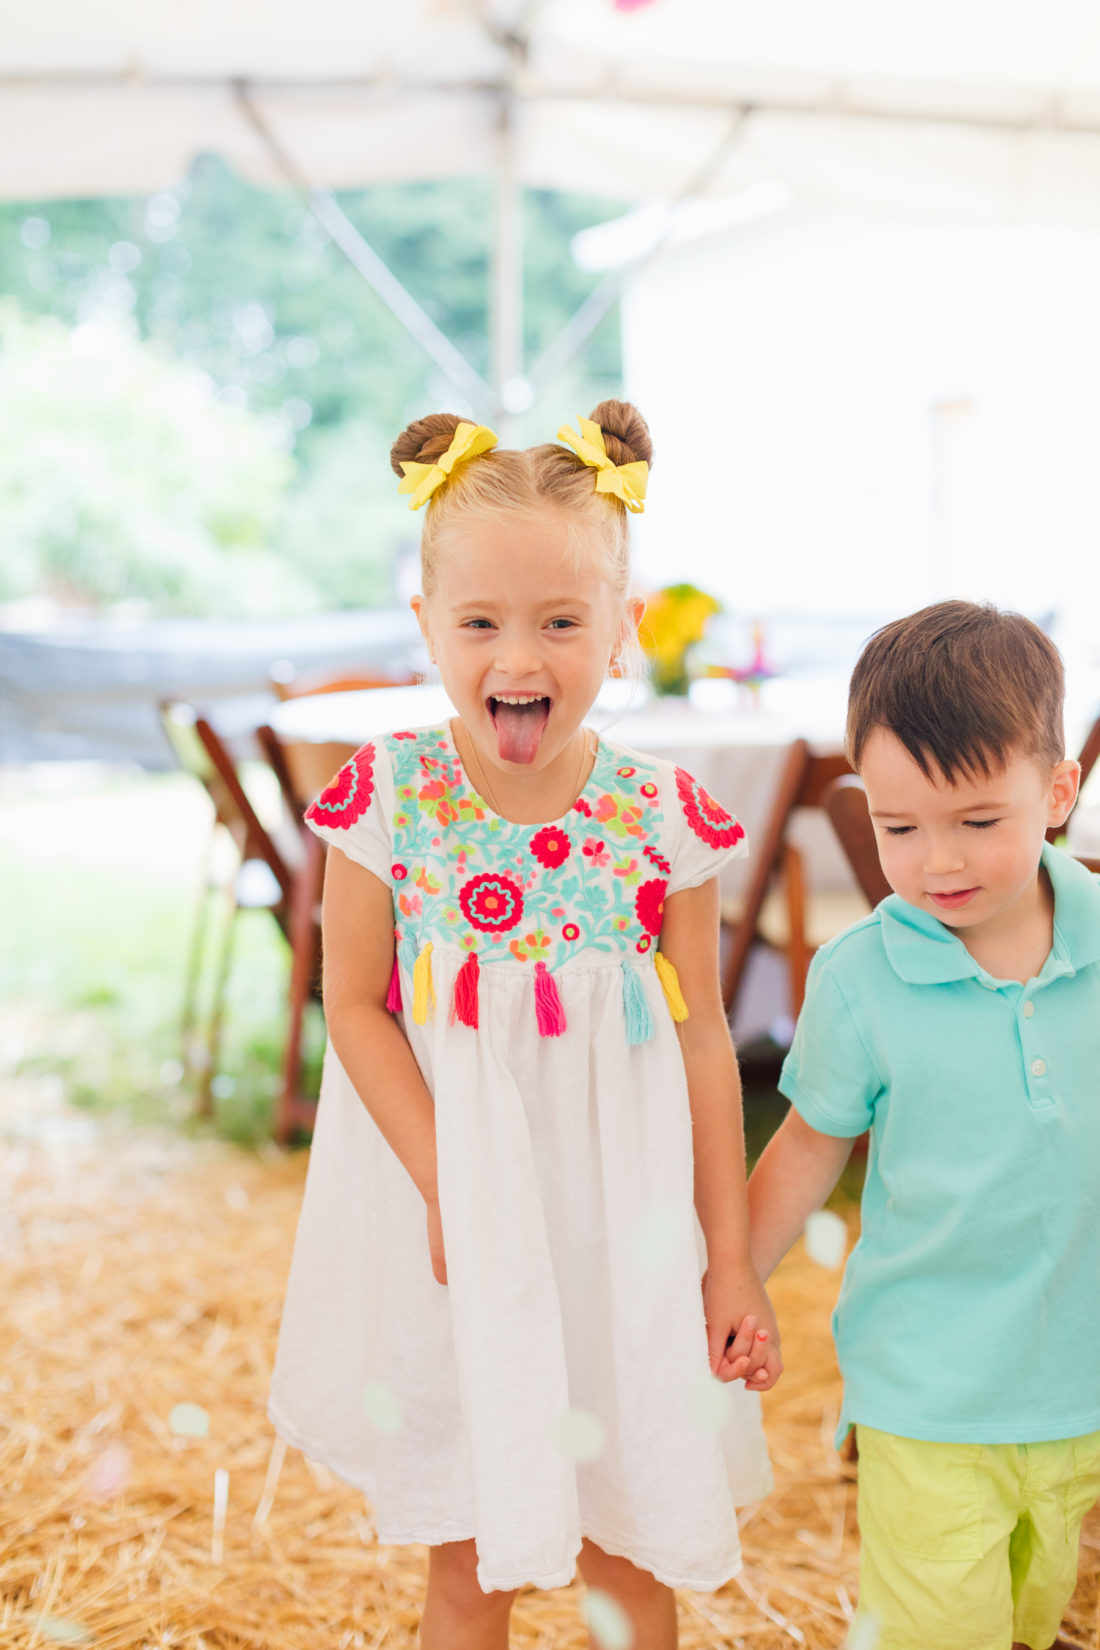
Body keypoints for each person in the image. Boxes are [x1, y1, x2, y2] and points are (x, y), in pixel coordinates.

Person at [268, 402, 781, 1650]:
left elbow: (705, 1038)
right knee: (471, 1550)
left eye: (561, 621)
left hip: (622, 1225)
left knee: (628, 1538)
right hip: (457, 1217)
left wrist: (723, 1255)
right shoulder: (388, 797)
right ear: (425, 630)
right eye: (481, 622)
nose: (521, 656)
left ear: (621, 630)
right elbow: (350, 1003)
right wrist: (454, 1180)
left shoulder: (661, 816)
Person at [747, 601, 1100, 1650]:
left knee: (1033, 1614)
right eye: (896, 829)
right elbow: (809, 1140)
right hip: (928, 1389)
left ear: (1055, 793)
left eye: (975, 823)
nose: (934, 862)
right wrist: (731, 1277)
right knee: (941, 1629)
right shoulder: (860, 976)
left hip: (1074, 1379)